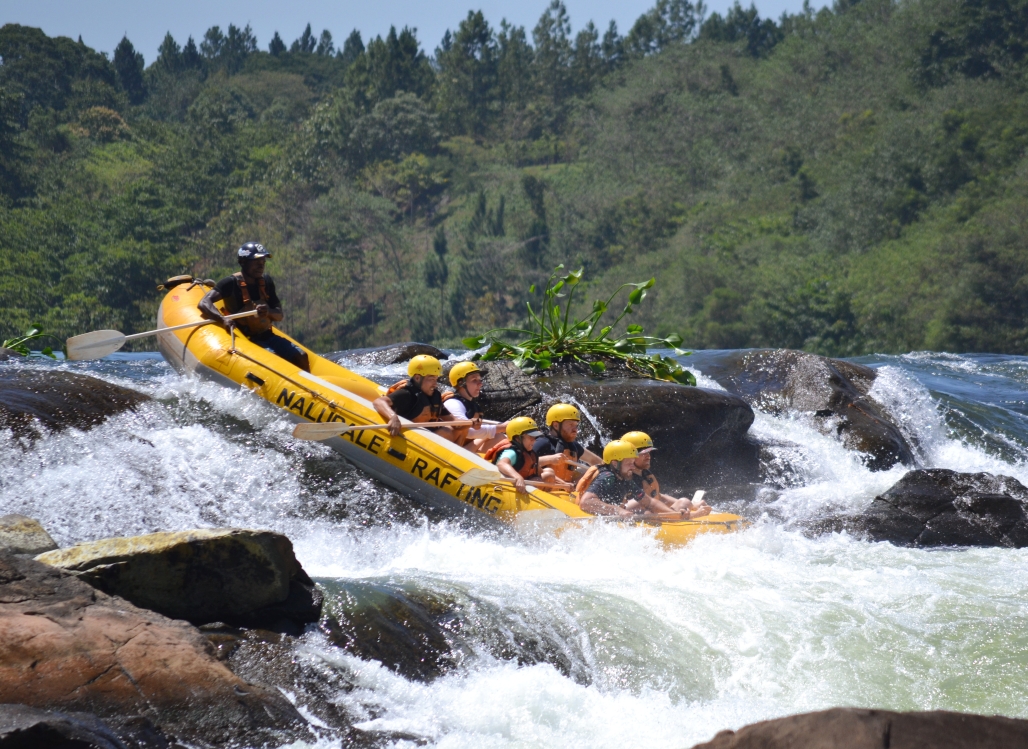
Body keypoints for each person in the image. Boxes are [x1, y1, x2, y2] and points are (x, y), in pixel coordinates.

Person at [198, 242, 310, 371]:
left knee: (302, 356)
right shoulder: (231, 283)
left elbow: (279, 315)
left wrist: (268, 312)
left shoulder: (266, 281)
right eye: (256, 260)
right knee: (273, 359)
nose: (261, 264)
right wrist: (223, 319)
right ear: (243, 262)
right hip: (245, 340)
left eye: (263, 260)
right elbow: (204, 303)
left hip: (267, 336)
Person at [578, 440, 707, 519]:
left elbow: (649, 502)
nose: (632, 466)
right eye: (629, 462)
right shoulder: (607, 477)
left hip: (610, 517)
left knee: (647, 509)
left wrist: (675, 514)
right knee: (645, 513)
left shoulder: (626, 478)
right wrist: (619, 510)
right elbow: (586, 502)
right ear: (615, 463)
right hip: (591, 517)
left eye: (633, 462)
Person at [621, 431, 712, 518]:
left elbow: (657, 496)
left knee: (684, 502)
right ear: (630, 455)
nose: (648, 456)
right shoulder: (626, 478)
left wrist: (692, 506)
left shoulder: (645, 473)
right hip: (645, 519)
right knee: (682, 504)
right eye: (643, 453)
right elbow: (643, 508)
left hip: (655, 513)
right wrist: (694, 514)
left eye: (649, 452)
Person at [373, 355, 457, 440]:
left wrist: (470, 421)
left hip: (425, 439)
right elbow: (379, 402)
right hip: (407, 440)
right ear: (417, 378)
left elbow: (452, 420)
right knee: (446, 432)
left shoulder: (434, 397)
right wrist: (393, 417)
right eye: (431, 379)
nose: (435, 384)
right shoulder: (406, 394)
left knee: (450, 431)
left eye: (436, 379)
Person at [441, 361, 508, 451]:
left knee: (500, 438)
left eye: (480, 380)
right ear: (461, 383)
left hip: (466, 448)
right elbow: (467, 431)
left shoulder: (471, 405)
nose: (480, 384)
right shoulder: (453, 403)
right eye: (474, 380)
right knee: (497, 434)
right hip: (453, 452)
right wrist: (501, 428)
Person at [532, 403, 602, 486]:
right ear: (556, 425)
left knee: (591, 472)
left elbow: (594, 461)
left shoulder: (574, 445)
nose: (575, 430)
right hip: (545, 490)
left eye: (576, 425)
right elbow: (526, 463)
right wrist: (549, 459)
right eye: (570, 424)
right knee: (548, 474)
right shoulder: (542, 443)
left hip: (567, 489)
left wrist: (611, 474)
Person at [492, 416, 544, 493]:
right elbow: (502, 463)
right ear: (517, 438)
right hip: (506, 487)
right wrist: (518, 477)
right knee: (538, 480)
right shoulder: (512, 452)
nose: (534, 441)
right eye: (531, 438)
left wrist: (563, 483)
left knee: (546, 475)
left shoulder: (530, 453)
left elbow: (540, 471)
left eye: (535, 437)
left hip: (524, 483)